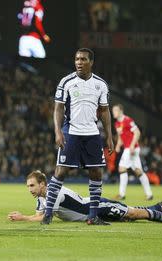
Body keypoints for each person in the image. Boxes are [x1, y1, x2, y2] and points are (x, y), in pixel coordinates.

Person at [45, 48, 114, 225]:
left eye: (83, 59)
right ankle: (48, 214)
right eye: (77, 59)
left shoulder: (100, 84)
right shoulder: (66, 81)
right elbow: (58, 108)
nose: (79, 62)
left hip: (92, 134)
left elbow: (105, 111)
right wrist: (58, 131)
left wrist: (109, 136)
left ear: (91, 62)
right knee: (60, 171)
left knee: (97, 173)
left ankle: (93, 217)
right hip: (71, 132)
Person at [8, 170, 162, 224]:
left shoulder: (54, 193)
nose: (29, 189)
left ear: (42, 184)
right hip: (92, 211)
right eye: (28, 186)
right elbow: (38, 214)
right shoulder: (41, 197)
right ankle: (157, 207)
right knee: (128, 216)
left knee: (133, 214)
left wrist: (22, 218)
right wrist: (24, 216)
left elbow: (42, 218)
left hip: (97, 207)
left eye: (32, 185)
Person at [112, 104, 153, 200]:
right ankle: (149, 194)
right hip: (129, 148)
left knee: (122, 168)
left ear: (121, 111)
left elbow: (137, 132)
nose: (114, 112)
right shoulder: (117, 123)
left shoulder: (128, 120)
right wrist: (118, 145)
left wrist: (131, 146)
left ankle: (122, 194)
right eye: (113, 111)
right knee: (138, 171)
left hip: (132, 148)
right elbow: (121, 137)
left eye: (115, 110)